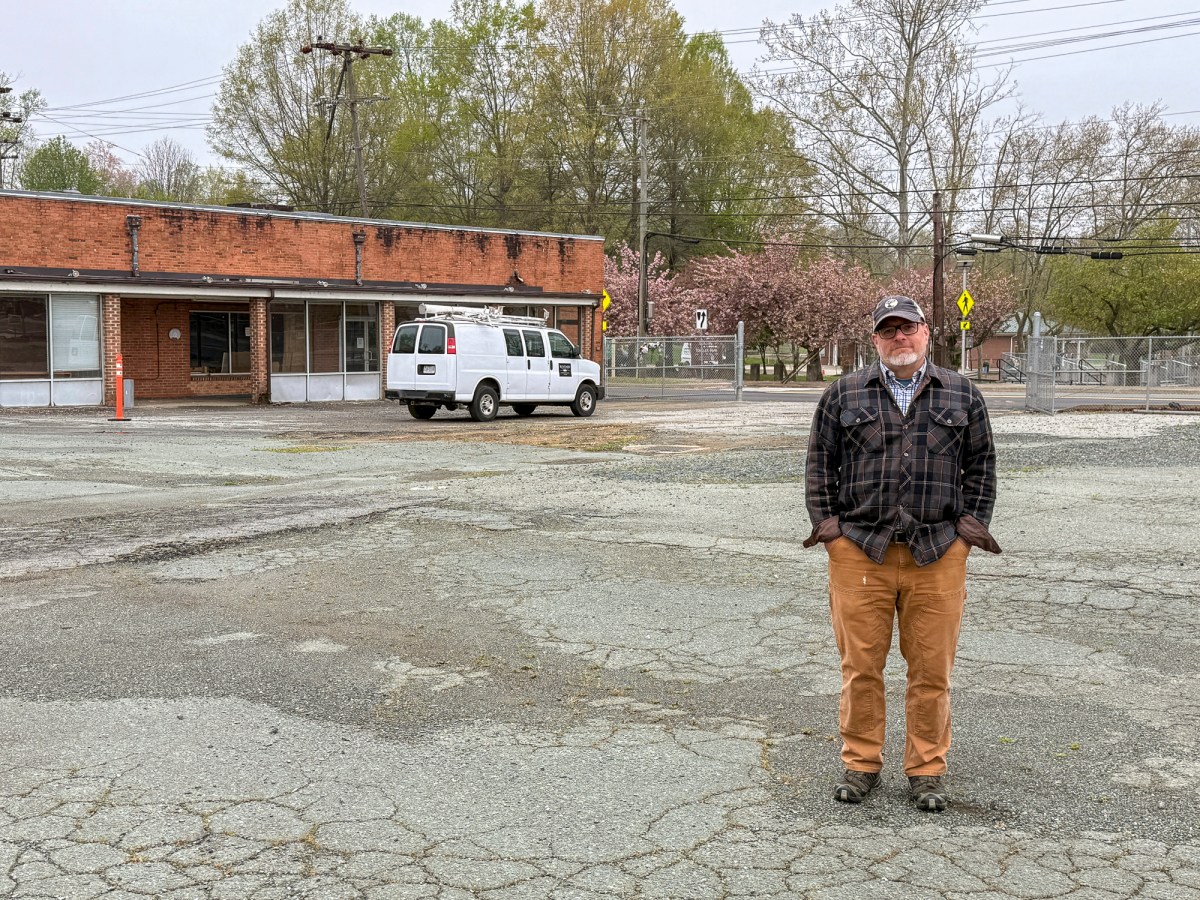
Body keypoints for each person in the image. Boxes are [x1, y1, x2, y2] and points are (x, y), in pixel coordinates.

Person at [803, 295, 1000, 812]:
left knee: (931, 670)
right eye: (888, 331)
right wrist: (831, 531)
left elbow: (981, 468)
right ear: (875, 339)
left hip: (937, 552)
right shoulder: (842, 394)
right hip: (859, 551)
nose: (899, 339)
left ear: (926, 332)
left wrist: (967, 533)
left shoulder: (962, 394)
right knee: (860, 667)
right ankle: (861, 763)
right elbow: (820, 465)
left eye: (907, 328)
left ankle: (926, 769)